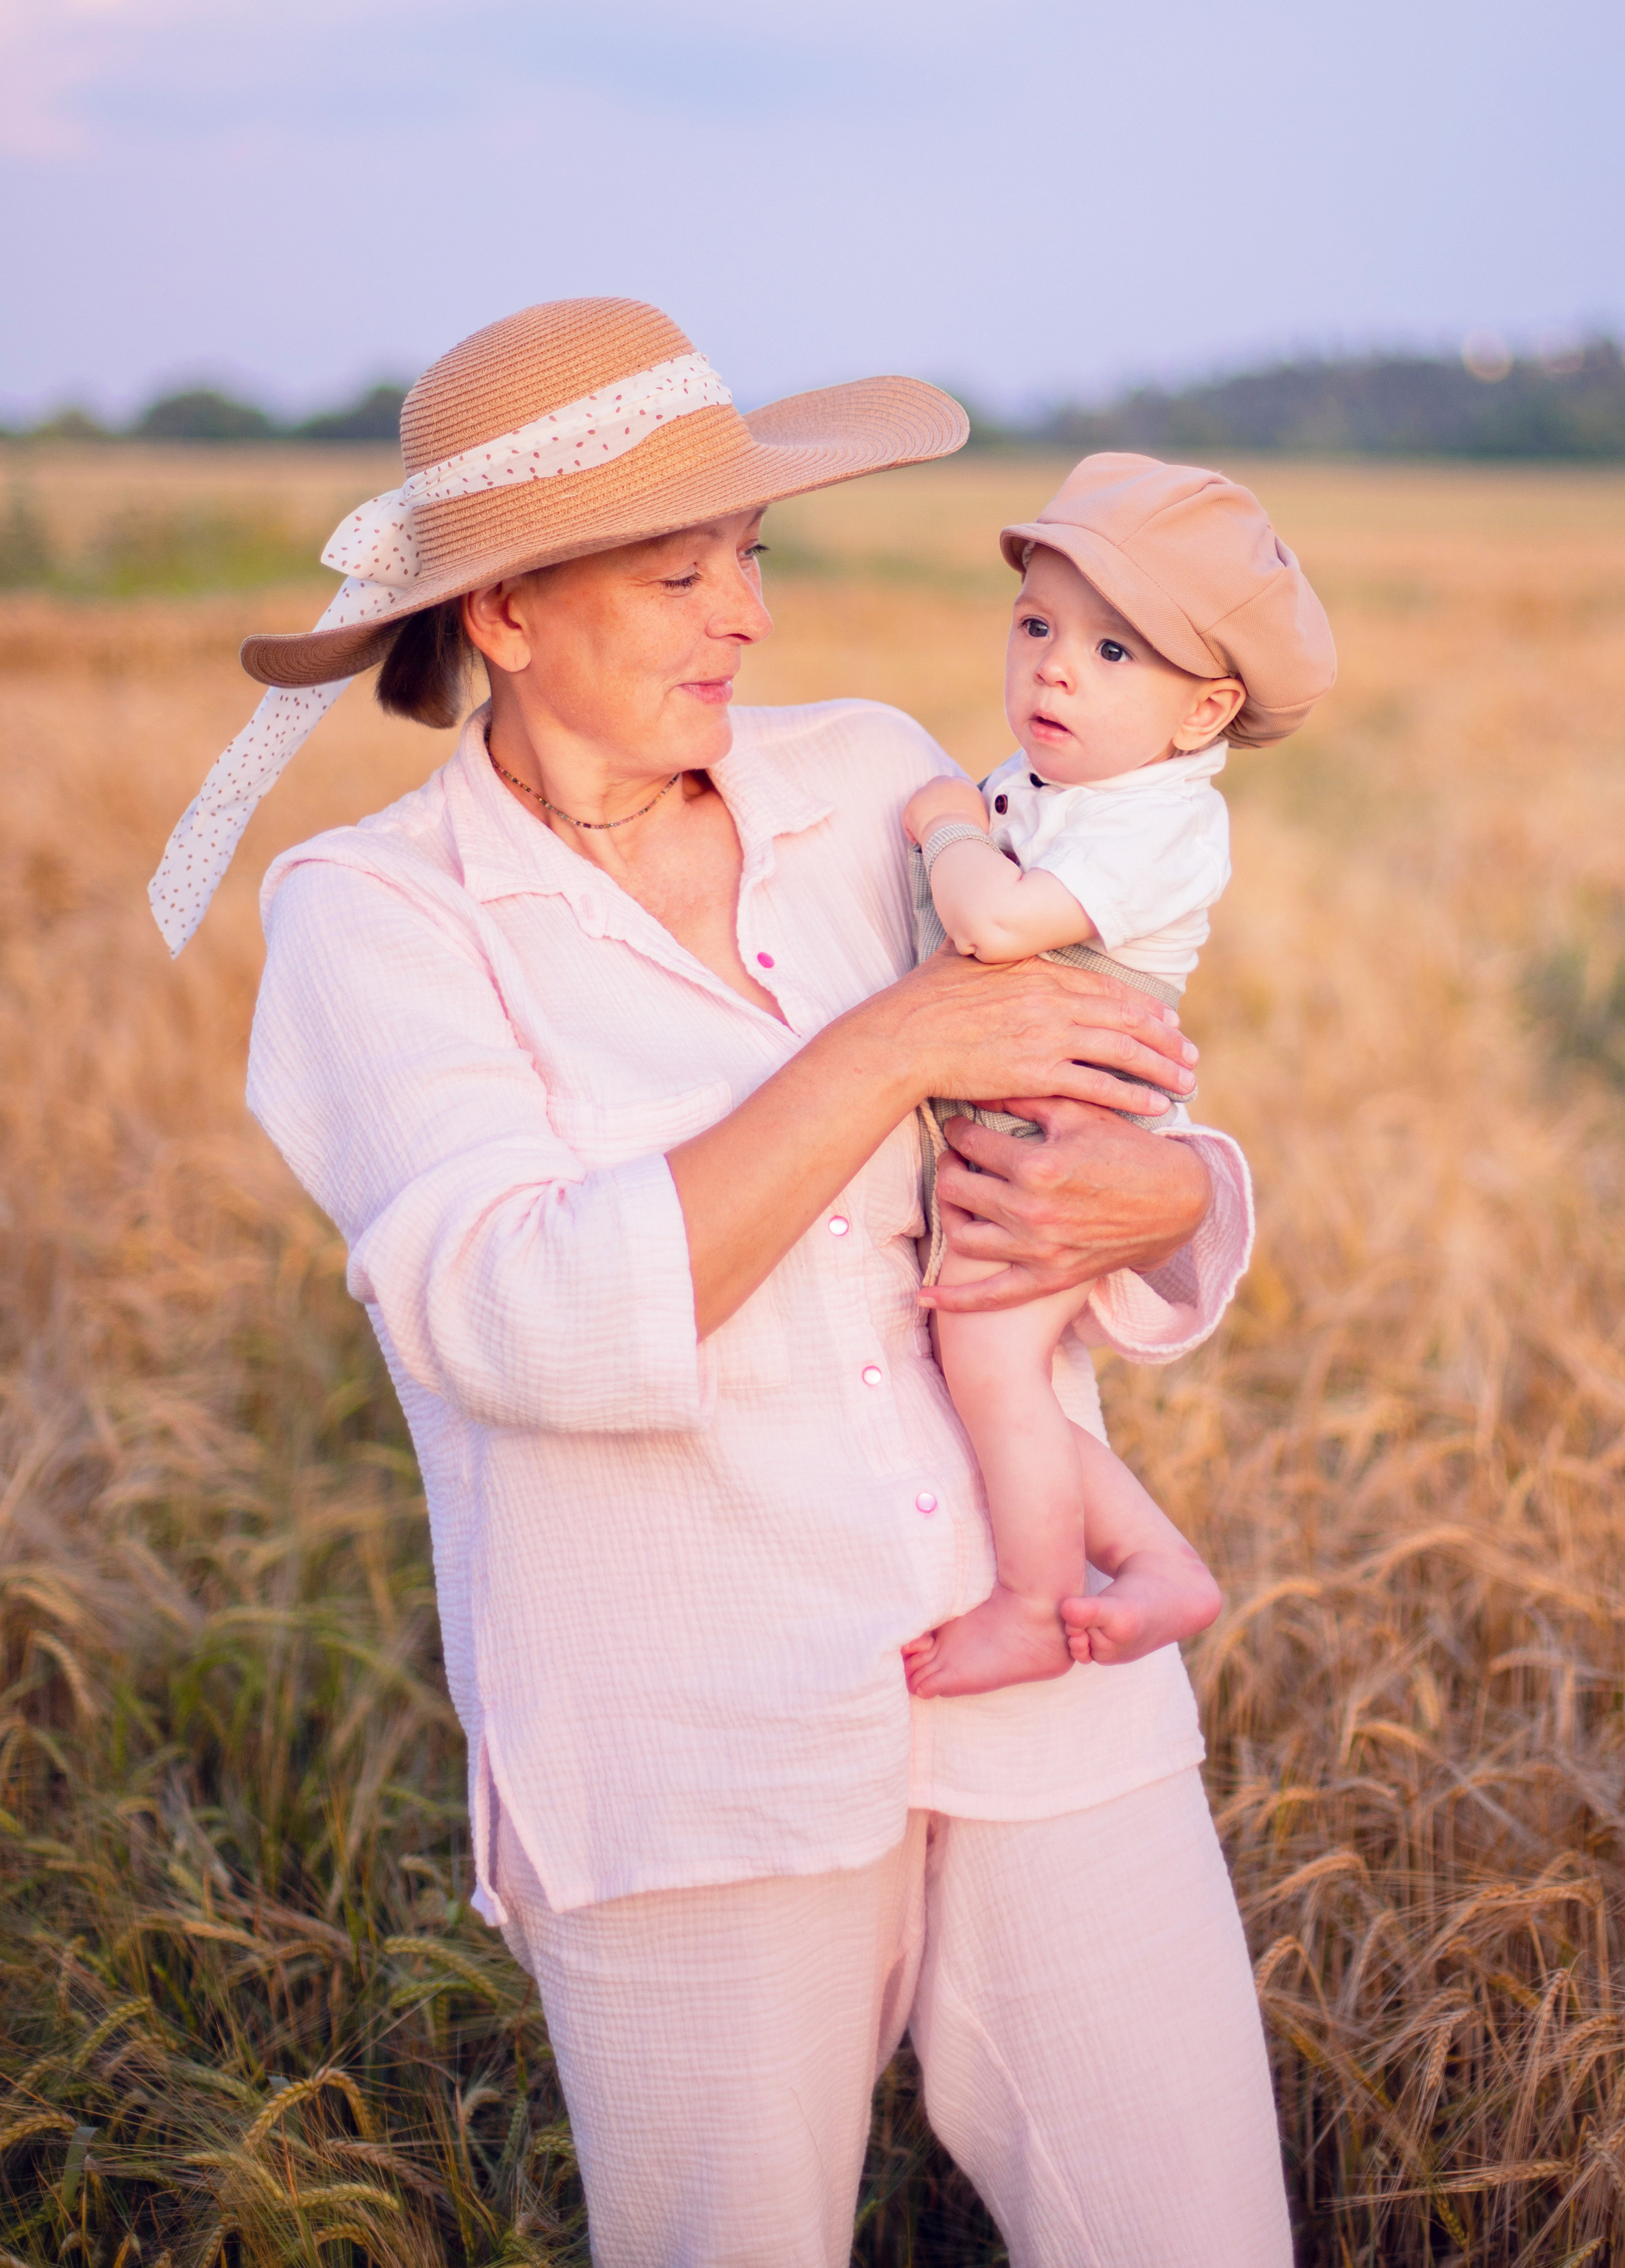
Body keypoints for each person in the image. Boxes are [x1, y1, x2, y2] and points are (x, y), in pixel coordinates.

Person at [152, 297, 1294, 2265]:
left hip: (1051, 1672)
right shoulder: (373, 915)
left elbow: (1087, 1131)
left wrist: (1170, 1194)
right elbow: (521, 1313)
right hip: (692, 1749)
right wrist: (890, 1048)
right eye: (680, 571)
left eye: (749, 556)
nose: (745, 615)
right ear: (504, 613)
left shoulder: (870, 778)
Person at [900, 455, 1335, 1698]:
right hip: (1011, 1127)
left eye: (1113, 653)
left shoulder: (1159, 822)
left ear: (1203, 716)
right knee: (993, 1369)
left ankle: (1038, 1607)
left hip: (1069, 1144)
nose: (1052, 667)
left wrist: (941, 826)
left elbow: (996, 924)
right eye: (1038, 624)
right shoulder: (1060, 783)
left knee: (988, 1364)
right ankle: (1158, 1561)